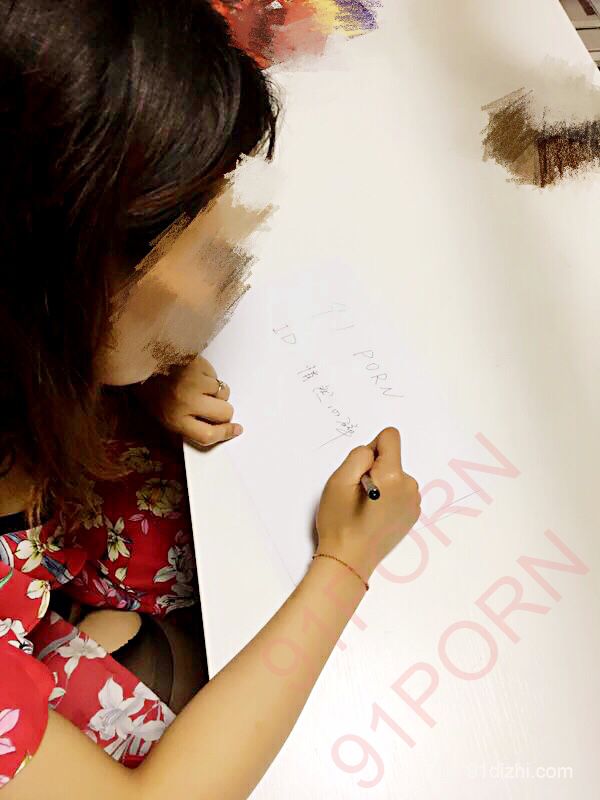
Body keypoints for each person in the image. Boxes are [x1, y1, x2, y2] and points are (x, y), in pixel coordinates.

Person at [0, 1, 422, 798]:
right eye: (190, 229)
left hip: (43, 537)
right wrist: (344, 562)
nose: (225, 276)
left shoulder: (30, 339)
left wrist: (138, 379)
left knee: (179, 540)